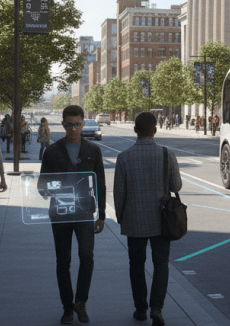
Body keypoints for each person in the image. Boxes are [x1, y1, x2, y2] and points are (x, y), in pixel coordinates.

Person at [40, 105, 107, 324]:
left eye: (77, 124)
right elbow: (42, 186)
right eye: (69, 125)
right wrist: (51, 188)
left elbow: (101, 185)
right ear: (63, 124)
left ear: (83, 124)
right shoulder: (52, 151)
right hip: (59, 213)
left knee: (87, 257)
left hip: (85, 212)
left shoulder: (93, 150)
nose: (73, 129)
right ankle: (67, 307)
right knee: (63, 261)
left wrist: (102, 215)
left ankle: (81, 303)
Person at [114, 112, 182, 326]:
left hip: (134, 219)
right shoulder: (166, 154)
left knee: (136, 264)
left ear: (135, 130)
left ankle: (140, 308)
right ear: (155, 130)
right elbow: (176, 186)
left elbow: (119, 192)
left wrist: (120, 216)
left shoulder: (124, 157)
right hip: (162, 220)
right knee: (161, 263)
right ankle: (157, 308)